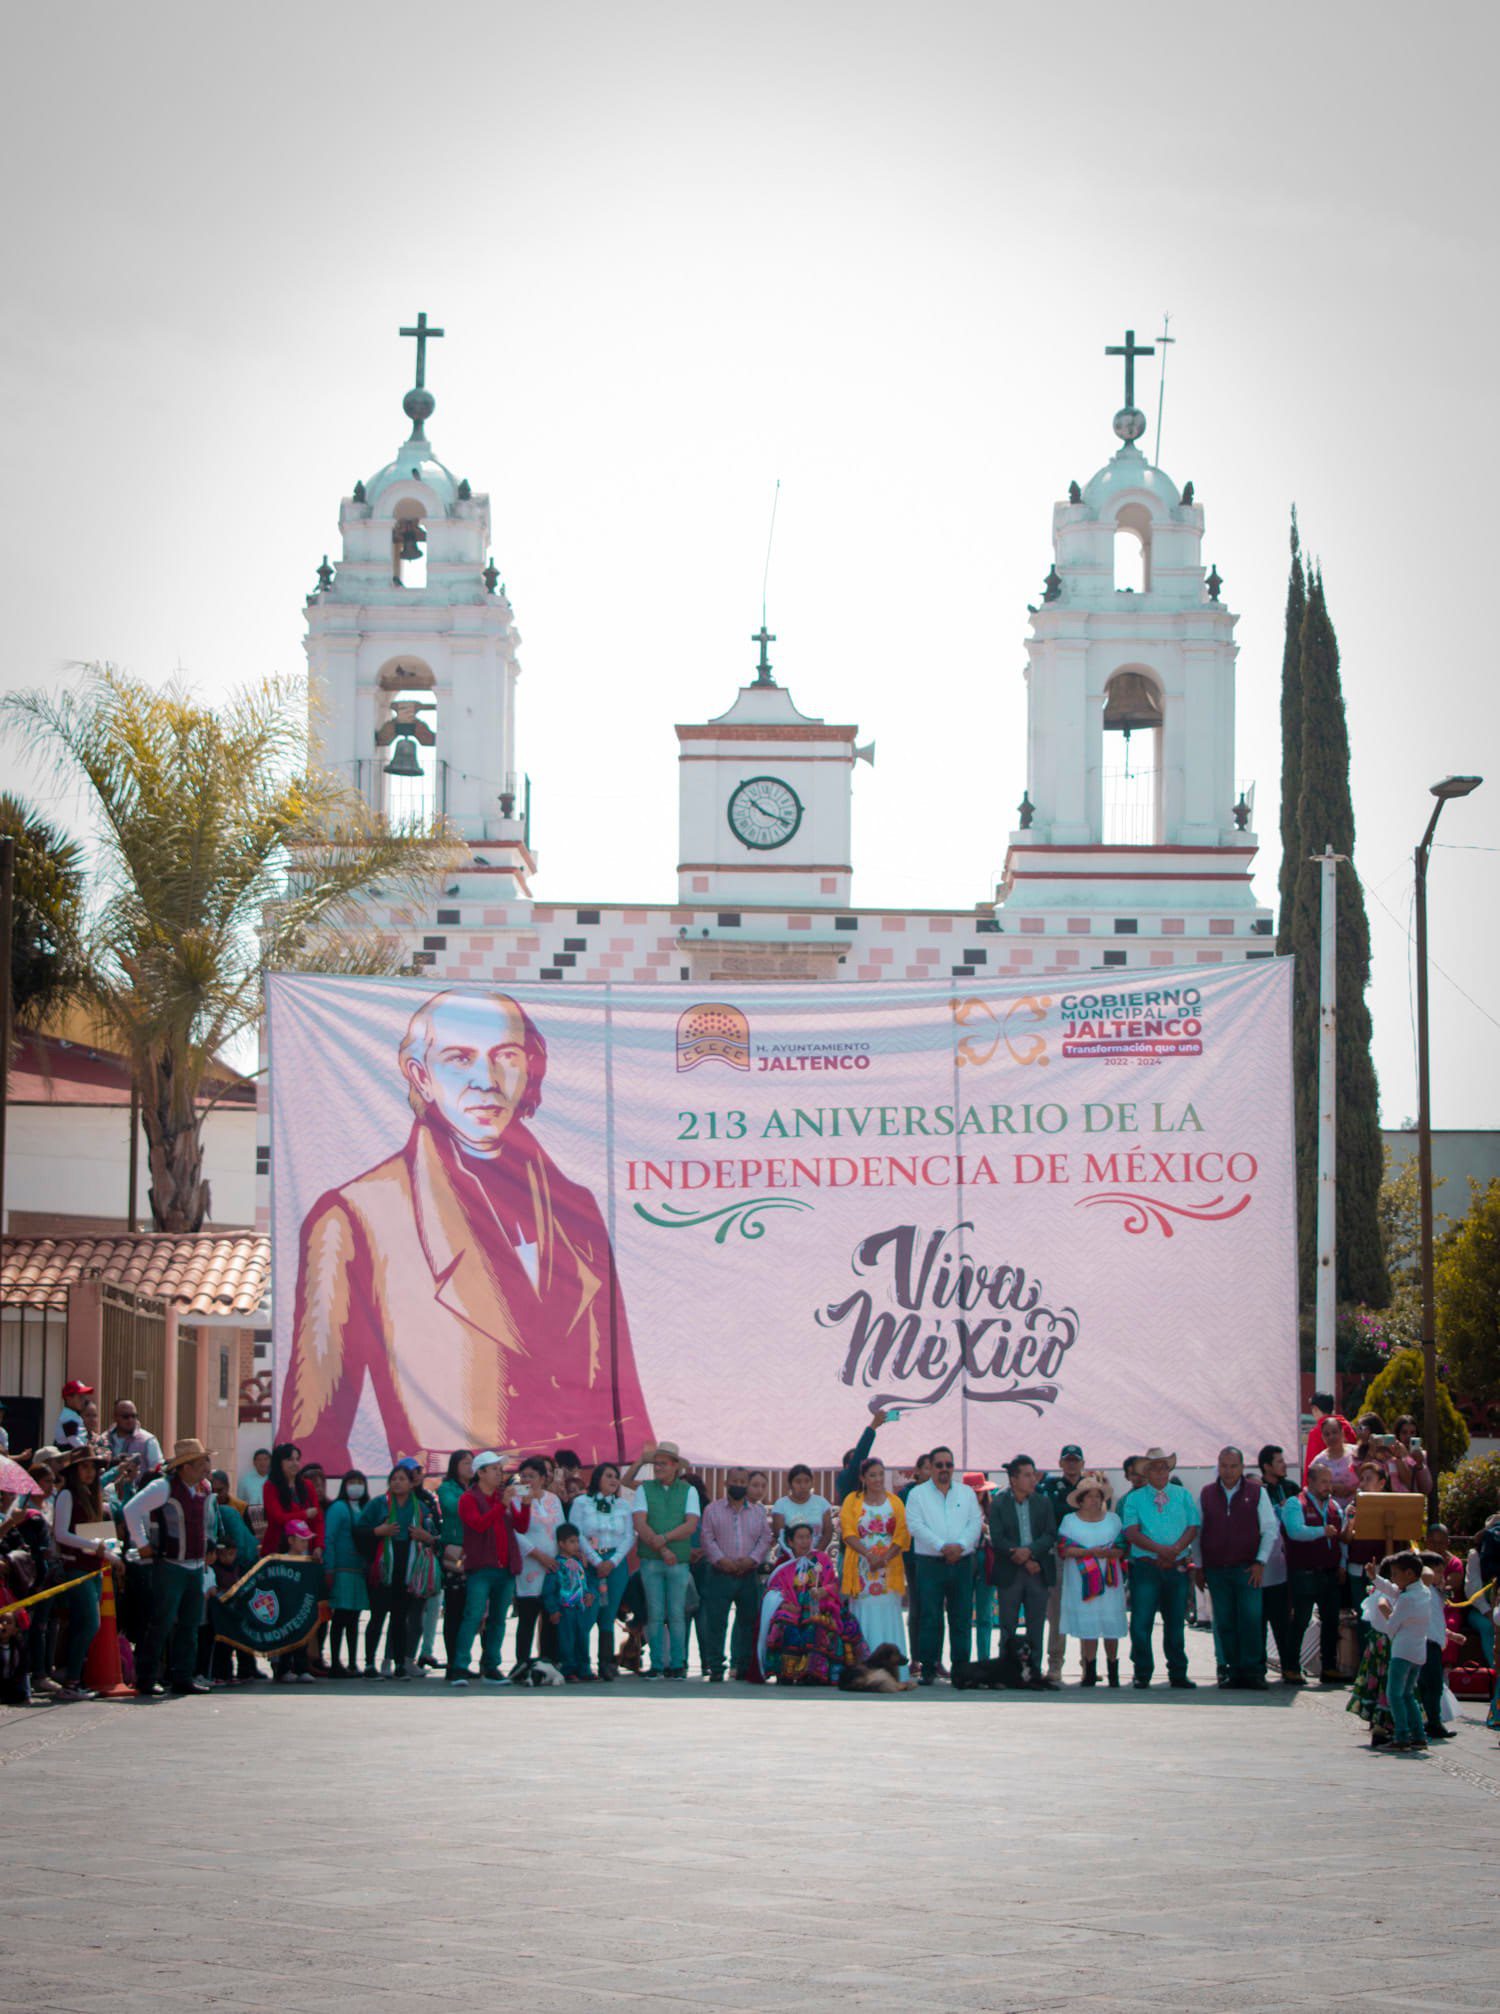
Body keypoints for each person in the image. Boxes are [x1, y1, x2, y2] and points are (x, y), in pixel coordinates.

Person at [281, 988, 654, 1470]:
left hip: (572, 1505)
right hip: (451, 1509)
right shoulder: (353, 1218)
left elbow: (625, 1408)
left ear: (530, 1070)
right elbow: (313, 1438)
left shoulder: (577, 1209)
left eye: (507, 1058)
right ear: (421, 1074)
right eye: (460, 1058)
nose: (487, 1079)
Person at [123, 1438, 218, 1699]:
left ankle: (183, 1677)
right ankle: (147, 1678)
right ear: (185, 1467)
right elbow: (131, 1510)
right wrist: (141, 1544)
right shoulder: (163, 1487)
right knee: (161, 1623)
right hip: (170, 1565)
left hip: (195, 1565)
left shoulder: (203, 1488)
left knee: (190, 1624)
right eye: (200, 1464)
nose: (205, 1469)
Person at [1195, 1446, 1275, 1690]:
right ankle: (1231, 1670)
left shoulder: (1257, 1492)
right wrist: (1198, 1566)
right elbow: (1198, 1532)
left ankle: (1254, 1672)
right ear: (1217, 1466)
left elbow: (1269, 1529)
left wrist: (1260, 1561)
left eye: (1233, 1466)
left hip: (1248, 1568)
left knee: (1251, 1619)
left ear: (1242, 1467)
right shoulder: (1207, 1493)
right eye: (1224, 1465)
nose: (1228, 1471)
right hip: (1217, 1569)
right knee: (1225, 1621)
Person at [1119, 1448, 1199, 1690]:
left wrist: (1174, 1549)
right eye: (1155, 1467)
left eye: (1164, 1466)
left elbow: (1193, 1526)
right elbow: (1131, 1532)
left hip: (1175, 1564)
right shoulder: (1134, 1498)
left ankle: (1178, 1671)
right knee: (1141, 1621)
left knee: (1175, 1621)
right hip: (1147, 1565)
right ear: (1147, 1472)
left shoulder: (1183, 1495)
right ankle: (1142, 1672)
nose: (1161, 1471)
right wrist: (1161, 1550)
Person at [904, 1447, 982, 1687]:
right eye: (939, 1465)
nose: (944, 1469)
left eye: (949, 1465)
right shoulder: (918, 1494)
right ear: (932, 1467)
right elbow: (915, 1525)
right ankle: (928, 1667)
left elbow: (975, 1523)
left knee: (960, 1617)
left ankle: (961, 1668)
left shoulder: (966, 1493)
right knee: (930, 1616)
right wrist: (941, 1546)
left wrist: (959, 1546)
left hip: (962, 1561)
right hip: (929, 1562)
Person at [451, 1450, 530, 1686]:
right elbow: (478, 1525)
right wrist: (501, 1505)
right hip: (481, 1567)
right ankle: (459, 1667)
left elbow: (521, 1526)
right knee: (473, 1616)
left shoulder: (500, 1496)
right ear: (481, 1473)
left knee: (498, 1619)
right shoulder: (469, 1498)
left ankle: (491, 1666)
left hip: (505, 1568)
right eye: (494, 1469)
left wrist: (525, 1505)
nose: (499, 1473)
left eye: (500, 1468)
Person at [359, 1464, 440, 1680]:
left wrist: (425, 1536)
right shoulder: (379, 1504)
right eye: (394, 1478)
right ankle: (368, 1663)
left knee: (400, 1618)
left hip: (408, 1567)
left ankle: (399, 1665)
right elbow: (359, 1530)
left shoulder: (420, 1508)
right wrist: (379, 1531)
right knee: (377, 1617)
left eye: (402, 1478)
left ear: (412, 1482)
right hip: (383, 1566)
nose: (397, 1482)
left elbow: (434, 1537)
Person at [761, 1524, 867, 1685]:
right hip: (794, 1608)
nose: (805, 1542)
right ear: (790, 1541)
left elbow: (833, 1582)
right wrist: (783, 1604)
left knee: (819, 1622)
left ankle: (816, 1673)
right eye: (800, 1538)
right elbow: (774, 1591)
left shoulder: (821, 1559)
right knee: (783, 1621)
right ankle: (787, 1672)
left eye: (808, 1537)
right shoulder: (784, 1565)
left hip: (821, 1606)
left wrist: (824, 1591)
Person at [987, 1455, 1059, 1687]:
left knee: (1036, 1623)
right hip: (1010, 1570)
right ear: (1013, 1479)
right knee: (1007, 1624)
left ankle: (1034, 1671)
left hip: (1037, 1570)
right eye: (1027, 1475)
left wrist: (1031, 1553)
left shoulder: (1043, 1502)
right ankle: (1007, 1671)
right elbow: (997, 1538)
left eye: (1033, 1474)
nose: (1033, 1479)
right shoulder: (998, 1503)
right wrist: (1020, 1556)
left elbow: (1050, 1534)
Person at [632, 1443, 699, 1681]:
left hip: (677, 1560)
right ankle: (658, 1664)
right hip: (653, 1559)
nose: (658, 1467)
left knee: (676, 1613)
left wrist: (664, 1540)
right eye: (656, 1463)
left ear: (674, 1466)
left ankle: (678, 1664)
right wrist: (663, 1548)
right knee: (656, 1613)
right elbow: (639, 1522)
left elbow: (690, 1525)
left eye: (663, 1463)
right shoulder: (645, 1489)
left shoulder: (688, 1490)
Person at [699, 1466, 773, 1682]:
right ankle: (716, 1666)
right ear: (725, 1483)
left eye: (743, 1482)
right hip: (720, 1573)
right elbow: (707, 1538)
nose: (739, 1486)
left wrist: (752, 1560)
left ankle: (742, 1665)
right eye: (735, 1482)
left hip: (748, 1574)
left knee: (747, 1622)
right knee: (716, 1621)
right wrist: (722, 1560)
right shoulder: (712, 1510)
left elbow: (765, 1538)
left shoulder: (758, 1512)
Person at [839, 1458, 911, 1677]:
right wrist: (868, 1554)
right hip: (862, 1567)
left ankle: (895, 1671)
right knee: (863, 1613)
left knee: (888, 1613)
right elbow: (848, 1532)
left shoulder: (895, 1502)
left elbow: (902, 1534)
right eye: (872, 1475)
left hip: (888, 1569)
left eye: (881, 1474)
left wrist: (885, 1558)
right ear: (863, 1478)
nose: (878, 1479)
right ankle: (863, 1669)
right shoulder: (852, 1500)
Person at [51, 1445, 112, 1700]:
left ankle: (74, 1677)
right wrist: (94, 1546)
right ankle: (72, 1680)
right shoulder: (67, 1494)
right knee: (88, 1623)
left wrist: (110, 1553)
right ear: (75, 1470)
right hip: (75, 1568)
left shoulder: (92, 1495)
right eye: (84, 1467)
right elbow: (62, 1534)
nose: (89, 1472)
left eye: (93, 1468)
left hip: (93, 1568)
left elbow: (100, 1534)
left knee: (84, 1625)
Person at [1281, 1459, 1348, 1685]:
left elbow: (1341, 1538)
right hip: (1304, 1572)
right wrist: (1322, 1531)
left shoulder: (1334, 1506)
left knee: (1330, 1621)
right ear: (1309, 1482)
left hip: (1329, 1572)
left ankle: (1329, 1666)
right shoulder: (1294, 1503)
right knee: (1300, 1620)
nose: (1328, 1486)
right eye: (1323, 1482)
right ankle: (1291, 1667)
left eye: (1330, 1482)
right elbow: (1295, 1531)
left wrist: (1343, 1565)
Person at [1056, 1471, 1126, 1686]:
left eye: (1098, 1495)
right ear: (1080, 1499)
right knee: (1088, 1623)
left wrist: (1108, 1553)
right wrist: (1090, 1553)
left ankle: (1113, 1669)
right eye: (1089, 1496)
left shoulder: (1113, 1520)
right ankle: (1089, 1668)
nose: (1094, 1500)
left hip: (1109, 1579)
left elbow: (1122, 1547)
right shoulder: (1069, 1521)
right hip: (1082, 1580)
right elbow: (1064, 1548)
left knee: (1110, 1622)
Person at [572, 1460, 639, 1682]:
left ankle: (606, 1663)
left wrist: (613, 1561)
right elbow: (576, 1533)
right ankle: (581, 1664)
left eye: (615, 1477)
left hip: (616, 1563)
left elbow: (630, 1536)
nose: (613, 1480)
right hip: (589, 1562)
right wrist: (595, 1560)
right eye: (608, 1476)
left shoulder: (623, 1506)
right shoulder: (582, 1502)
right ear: (597, 1478)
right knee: (588, 1612)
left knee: (609, 1613)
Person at [1369, 1553, 1431, 1754]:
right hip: (1418, 1651)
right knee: (1407, 1694)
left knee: (1394, 1694)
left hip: (1402, 1651)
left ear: (1410, 1573)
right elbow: (1395, 1590)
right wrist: (1375, 1579)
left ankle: (1402, 1737)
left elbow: (1391, 1627)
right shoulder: (1422, 1591)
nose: (1393, 1578)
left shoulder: (1407, 1599)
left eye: (1396, 1574)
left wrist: (1386, 1611)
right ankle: (1419, 1736)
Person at [512, 1456, 566, 1670]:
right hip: (529, 1565)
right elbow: (515, 1532)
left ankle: (548, 1661)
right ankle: (522, 1662)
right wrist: (537, 1555)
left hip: (552, 1565)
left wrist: (561, 1557)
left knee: (551, 1614)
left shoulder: (553, 1499)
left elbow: (561, 1528)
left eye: (531, 1476)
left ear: (543, 1478)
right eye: (523, 1476)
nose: (527, 1480)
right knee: (527, 1616)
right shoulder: (516, 1498)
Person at [1037, 1444, 1086, 1681]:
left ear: (1083, 1463)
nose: (1072, 1464)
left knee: (1088, 1608)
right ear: (1060, 1463)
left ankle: (1089, 1663)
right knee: (1056, 1611)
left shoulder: (1091, 1487)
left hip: (1086, 1555)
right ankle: (1055, 1663)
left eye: (1076, 1460)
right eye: (1067, 1460)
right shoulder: (1049, 1487)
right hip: (1059, 1553)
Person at [1256, 1445, 1302, 1684]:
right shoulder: (1256, 1490)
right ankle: (1258, 1669)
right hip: (1262, 1565)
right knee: (1259, 1620)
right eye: (1279, 1461)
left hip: (1287, 1565)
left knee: (1284, 1621)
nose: (1284, 1465)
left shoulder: (1291, 1489)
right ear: (1266, 1466)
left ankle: (1290, 1667)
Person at [425, 1450, 473, 1675]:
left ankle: (466, 1660)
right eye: (466, 1463)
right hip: (454, 1551)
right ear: (455, 1466)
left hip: (476, 1551)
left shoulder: (474, 1488)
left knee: (472, 1611)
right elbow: (454, 1508)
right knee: (454, 1609)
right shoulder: (447, 1488)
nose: (470, 1467)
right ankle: (453, 1662)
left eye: (473, 1463)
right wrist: (478, 1496)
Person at [322, 1472, 370, 1676]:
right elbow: (329, 1539)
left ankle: (352, 1662)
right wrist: (329, 1568)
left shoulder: (364, 1507)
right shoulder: (338, 1508)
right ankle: (335, 1662)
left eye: (360, 1483)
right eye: (352, 1482)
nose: (356, 1486)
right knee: (340, 1618)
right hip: (341, 1570)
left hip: (358, 1570)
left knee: (353, 1619)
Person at [542, 1522, 595, 1682]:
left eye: (577, 1541)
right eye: (571, 1542)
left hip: (579, 1608)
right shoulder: (556, 1565)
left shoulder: (579, 1564)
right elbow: (549, 1590)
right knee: (567, 1639)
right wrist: (553, 1609)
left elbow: (583, 1583)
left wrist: (588, 1594)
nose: (576, 1545)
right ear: (561, 1543)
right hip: (565, 1609)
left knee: (583, 1638)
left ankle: (584, 1668)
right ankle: (568, 1668)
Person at [269, 1521, 319, 1684]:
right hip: (285, 1608)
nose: (306, 1543)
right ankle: (283, 1669)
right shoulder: (280, 1560)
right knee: (286, 1639)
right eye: (302, 1540)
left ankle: (302, 1669)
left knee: (302, 1639)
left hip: (302, 1607)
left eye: (307, 1540)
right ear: (290, 1540)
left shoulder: (307, 1561)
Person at [260, 1444, 322, 1557]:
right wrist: (305, 1514)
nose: (295, 1463)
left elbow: (318, 1519)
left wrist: (318, 1545)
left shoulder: (307, 1485)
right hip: (277, 1548)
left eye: (297, 1459)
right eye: (289, 1459)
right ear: (279, 1462)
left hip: (306, 1549)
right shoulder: (270, 1487)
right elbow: (278, 1518)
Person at [833, 1410, 892, 1505]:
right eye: (855, 1460)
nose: (878, 1479)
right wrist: (873, 1426)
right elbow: (860, 1455)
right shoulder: (844, 1480)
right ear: (846, 1466)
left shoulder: (870, 1487)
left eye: (881, 1474)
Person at [771, 1466, 833, 1554]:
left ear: (812, 1483)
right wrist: (795, 1556)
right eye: (798, 1482)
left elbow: (828, 1533)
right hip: (788, 1556)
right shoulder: (781, 1505)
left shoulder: (821, 1503)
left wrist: (815, 1554)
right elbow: (779, 1535)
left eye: (807, 1481)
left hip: (816, 1557)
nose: (803, 1486)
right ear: (790, 1484)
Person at [1302, 1392, 1355, 1482]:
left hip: (1326, 1485)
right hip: (1351, 1483)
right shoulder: (1347, 1427)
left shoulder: (1316, 1432)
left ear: (1315, 1409)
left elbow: (1311, 1468)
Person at [107, 1399, 164, 1477]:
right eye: (126, 1416)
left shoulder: (148, 1440)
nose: (130, 1420)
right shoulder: (105, 1439)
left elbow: (158, 1471)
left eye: (134, 1416)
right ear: (115, 1417)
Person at [1308, 1418, 1359, 1502]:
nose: (1331, 1437)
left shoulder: (1356, 1453)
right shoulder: (1319, 1462)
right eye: (1327, 1434)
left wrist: (1351, 1490)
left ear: (1342, 1433)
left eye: (1335, 1432)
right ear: (1323, 1437)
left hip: (1358, 1506)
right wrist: (1331, 1487)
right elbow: (1311, 1488)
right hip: (1331, 1511)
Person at [1390, 1417, 1433, 1497]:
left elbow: (1426, 1488)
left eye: (1412, 1432)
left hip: (1414, 1502)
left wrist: (1420, 1465)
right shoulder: (1390, 1455)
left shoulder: (1422, 1455)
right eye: (1404, 1432)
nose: (1408, 1436)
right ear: (1397, 1434)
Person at [56, 1379, 94, 1448]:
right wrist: (85, 1449)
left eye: (84, 1396)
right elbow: (72, 1438)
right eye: (81, 1397)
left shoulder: (73, 1415)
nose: (84, 1400)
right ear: (69, 1398)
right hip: (67, 1451)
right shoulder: (68, 1416)